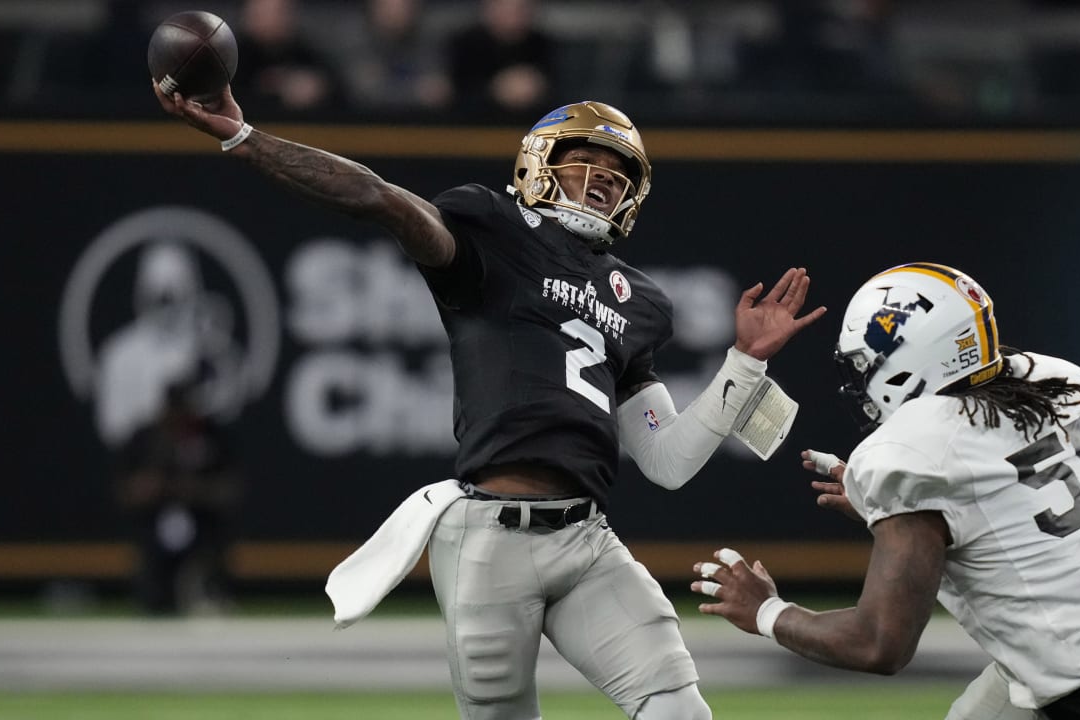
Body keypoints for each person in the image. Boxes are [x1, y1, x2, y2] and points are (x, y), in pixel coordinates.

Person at [153, 77, 826, 716]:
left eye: (616, 175)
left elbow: (667, 462)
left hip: (588, 540)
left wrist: (745, 362)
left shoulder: (639, 301)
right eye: (583, 162)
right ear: (539, 164)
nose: (601, 182)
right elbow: (377, 197)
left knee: (679, 707)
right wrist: (245, 136)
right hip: (490, 537)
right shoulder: (493, 229)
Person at [692, 262, 1080, 719]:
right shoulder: (1054, 380)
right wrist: (901, 515)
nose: (858, 384)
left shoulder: (911, 451)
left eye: (865, 366)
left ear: (909, 362)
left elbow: (880, 644)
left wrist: (767, 612)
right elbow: (1001, 498)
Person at [117, 381, 243, 615]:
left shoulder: (211, 435)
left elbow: (230, 488)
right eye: (175, 409)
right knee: (155, 600)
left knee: (210, 557)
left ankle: (209, 591)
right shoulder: (146, 438)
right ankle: (156, 595)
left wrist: (194, 489)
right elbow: (125, 490)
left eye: (184, 409)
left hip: (201, 522)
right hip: (156, 522)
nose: (180, 417)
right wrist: (146, 488)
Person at [446, 0, 555, 117]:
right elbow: (455, 95)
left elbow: (562, 93)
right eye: (505, 7)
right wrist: (495, 90)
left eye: (521, 8)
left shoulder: (544, 44)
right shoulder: (464, 44)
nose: (513, 15)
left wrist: (537, 87)